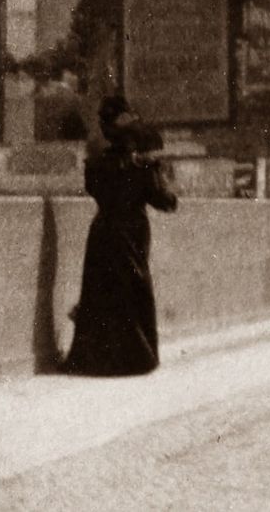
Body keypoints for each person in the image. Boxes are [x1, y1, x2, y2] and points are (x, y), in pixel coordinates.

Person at [63, 95, 178, 376]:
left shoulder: (97, 165)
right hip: (131, 231)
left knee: (99, 293)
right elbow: (167, 202)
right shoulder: (143, 167)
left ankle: (93, 361)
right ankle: (134, 359)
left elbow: (95, 187)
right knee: (132, 292)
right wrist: (158, 171)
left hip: (103, 230)